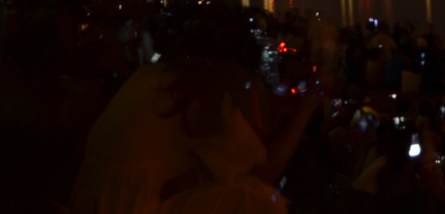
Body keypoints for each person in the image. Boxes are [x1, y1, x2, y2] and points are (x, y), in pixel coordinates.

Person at [69, 16, 321, 214]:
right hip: (127, 206)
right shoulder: (204, 91)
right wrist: (307, 107)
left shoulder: (159, 75)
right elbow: (264, 171)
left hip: (93, 198)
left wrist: (277, 117)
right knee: (258, 197)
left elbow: (239, 155)